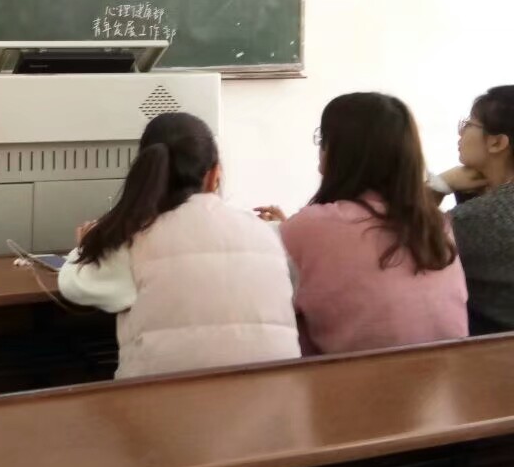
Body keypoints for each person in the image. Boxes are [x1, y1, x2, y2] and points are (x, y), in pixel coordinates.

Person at [58, 112, 299, 379]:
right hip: (276, 395)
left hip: (163, 400)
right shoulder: (266, 233)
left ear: (147, 170)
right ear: (214, 174)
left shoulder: (134, 239)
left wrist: (85, 247)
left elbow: (73, 286)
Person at [257, 93, 468, 354]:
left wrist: (291, 229)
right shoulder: (436, 223)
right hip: (452, 373)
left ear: (336, 150)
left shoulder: (309, 227)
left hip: (357, 377)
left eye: (322, 139)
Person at [431, 86, 514, 334]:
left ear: (497, 142)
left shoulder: (478, 218)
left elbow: (397, 240)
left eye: (468, 124)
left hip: (493, 348)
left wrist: (438, 185)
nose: (460, 133)